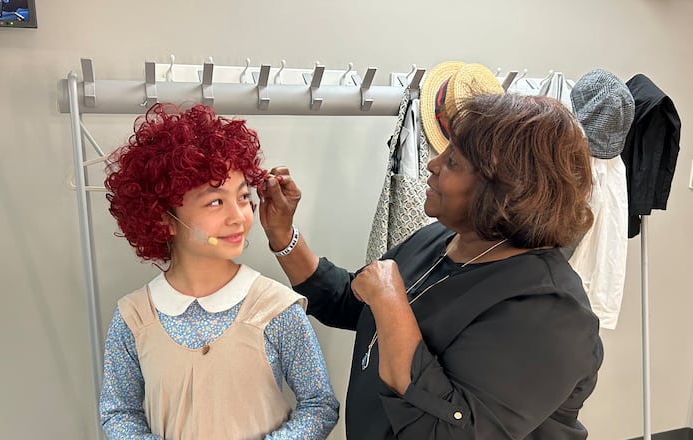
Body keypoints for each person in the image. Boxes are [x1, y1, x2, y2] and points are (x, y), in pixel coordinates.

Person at [258, 80, 604, 437]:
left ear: (504, 189)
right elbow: (351, 300)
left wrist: (390, 299)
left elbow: (450, 431)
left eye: (453, 161)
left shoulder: (551, 313)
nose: (432, 164)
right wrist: (283, 235)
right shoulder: (443, 239)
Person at [99, 103, 339, 439]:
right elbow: (118, 412)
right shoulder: (134, 318)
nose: (238, 216)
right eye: (215, 202)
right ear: (164, 219)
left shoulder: (275, 308)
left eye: (242, 197)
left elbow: (319, 403)